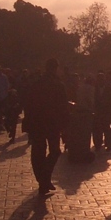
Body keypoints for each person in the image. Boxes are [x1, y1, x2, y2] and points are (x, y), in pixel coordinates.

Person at [25, 58, 69, 197]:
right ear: (56, 68)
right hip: (52, 123)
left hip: (37, 123)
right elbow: (63, 107)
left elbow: (28, 104)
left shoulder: (36, 84)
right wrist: (65, 125)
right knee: (54, 151)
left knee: (38, 152)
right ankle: (45, 177)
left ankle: (42, 179)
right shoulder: (58, 85)